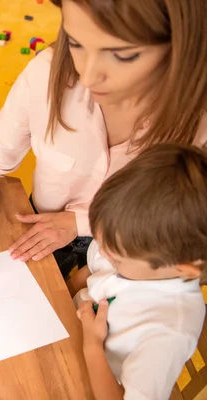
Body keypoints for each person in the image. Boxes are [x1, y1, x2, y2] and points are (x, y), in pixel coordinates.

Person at [0, 0, 207, 303]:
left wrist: (80, 222)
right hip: (43, 229)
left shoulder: (197, 113)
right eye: (76, 43)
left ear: (180, 45)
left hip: (146, 255)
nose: (87, 78)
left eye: (122, 55)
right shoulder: (46, 75)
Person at [74, 143, 207, 400]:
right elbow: (92, 272)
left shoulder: (168, 332)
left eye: (117, 258)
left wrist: (92, 345)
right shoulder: (133, 245)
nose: (102, 253)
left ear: (182, 269)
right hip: (68, 333)